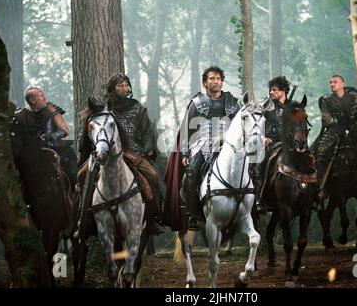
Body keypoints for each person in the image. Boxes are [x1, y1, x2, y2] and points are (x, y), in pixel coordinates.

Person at [78, 73, 165, 236]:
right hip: (105, 153)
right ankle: (83, 219)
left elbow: (146, 131)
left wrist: (148, 148)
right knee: (82, 176)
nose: (124, 89)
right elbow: (92, 127)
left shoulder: (137, 107)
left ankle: (153, 218)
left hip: (133, 152)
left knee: (152, 175)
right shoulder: (103, 108)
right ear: (112, 89)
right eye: (120, 86)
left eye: (126, 85)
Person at [165, 66, 239, 231]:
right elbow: (186, 130)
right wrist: (184, 153)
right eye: (212, 78)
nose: (215, 81)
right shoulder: (196, 103)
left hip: (227, 144)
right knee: (191, 174)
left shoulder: (233, 103)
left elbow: (240, 125)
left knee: (246, 171)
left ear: (222, 82)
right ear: (205, 83)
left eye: (218, 78)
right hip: (202, 144)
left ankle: (252, 208)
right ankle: (192, 213)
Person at [314, 75, 357, 202]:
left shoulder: (355, 97)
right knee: (321, 152)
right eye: (331, 82)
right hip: (335, 131)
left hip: (353, 130)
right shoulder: (326, 100)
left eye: (335, 82)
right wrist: (334, 121)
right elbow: (326, 118)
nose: (332, 84)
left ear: (342, 84)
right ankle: (322, 187)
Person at [13, 87, 78, 188]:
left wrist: (51, 137)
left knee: (75, 179)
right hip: (32, 154)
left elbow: (65, 130)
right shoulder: (21, 116)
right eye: (41, 96)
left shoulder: (51, 109)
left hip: (57, 150)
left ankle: (79, 199)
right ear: (32, 100)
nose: (44, 98)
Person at [254, 76, 291, 214]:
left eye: (274, 90)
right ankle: (259, 198)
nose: (271, 92)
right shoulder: (266, 106)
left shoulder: (292, 105)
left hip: (289, 143)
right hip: (271, 143)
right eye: (270, 90)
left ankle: (313, 194)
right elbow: (257, 124)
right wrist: (263, 138)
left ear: (283, 91)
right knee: (261, 163)